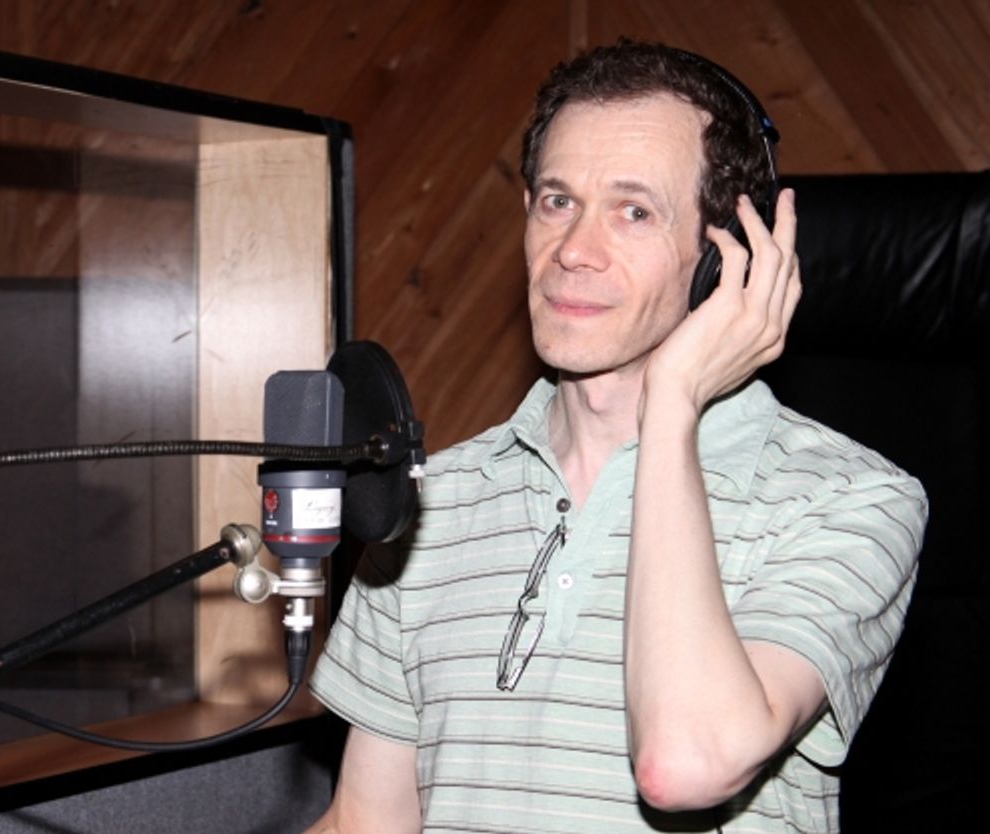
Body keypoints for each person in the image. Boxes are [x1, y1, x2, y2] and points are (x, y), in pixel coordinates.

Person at [304, 40, 926, 834]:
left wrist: (672, 405)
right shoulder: (428, 503)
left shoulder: (849, 499)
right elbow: (366, 821)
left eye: (634, 211)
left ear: (727, 258)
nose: (573, 251)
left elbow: (686, 766)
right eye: (557, 201)